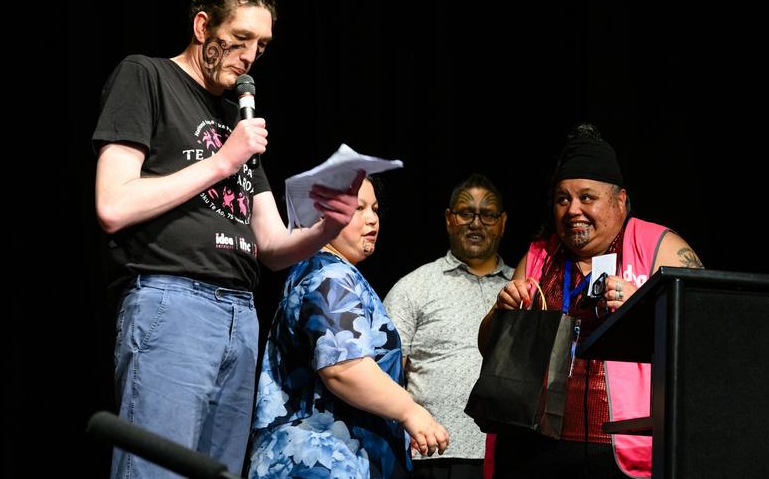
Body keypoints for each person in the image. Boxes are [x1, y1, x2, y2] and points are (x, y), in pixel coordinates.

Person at [92, 0, 365, 478]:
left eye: (261, 46)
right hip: (171, 301)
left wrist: (329, 225)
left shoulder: (231, 119)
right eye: (239, 40)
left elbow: (272, 245)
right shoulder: (146, 76)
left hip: (240, 315)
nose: (249, 57)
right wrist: (223, 160)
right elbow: (113, 204)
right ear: (202, 26)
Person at [477, 124, 704, 479]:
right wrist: (501, 314)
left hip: (622, 449)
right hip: (531, 443)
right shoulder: (539, 256)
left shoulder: (659, 246)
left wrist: (644, 309)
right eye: (562, 199)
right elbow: (489, 347)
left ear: (620, 200)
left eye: (587, 197)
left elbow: (708, 341)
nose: (572, 210)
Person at [248, 177, 449, 478]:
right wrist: (411, 412)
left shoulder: (320, 269)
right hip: (322, 463)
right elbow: (343, 368)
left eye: (375, 209)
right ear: (321, 218)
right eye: (358, 209)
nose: (372, 219)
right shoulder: (331, 276)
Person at [383, 173, 514, 479]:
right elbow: (383, 375)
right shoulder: (414, 287)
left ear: (503, 223)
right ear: (449, 219)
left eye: (488, 215)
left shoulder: (520, 287)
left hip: (509, 455)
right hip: (433, 456)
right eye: (466, 213)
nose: (476, 223)